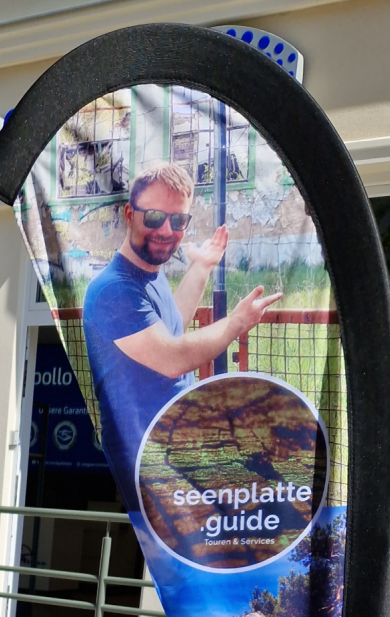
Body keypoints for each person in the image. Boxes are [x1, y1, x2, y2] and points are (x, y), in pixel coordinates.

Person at [82, 161, 282, 494]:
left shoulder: (150, 274)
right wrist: (236, 323)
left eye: (178, 220)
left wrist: (201, 268)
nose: (166, 231)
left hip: (179, 451)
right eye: (155, 217)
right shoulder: (112, 290)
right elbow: (172, 357)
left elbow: (171, 323)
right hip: (151, 472)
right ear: (130, 216)